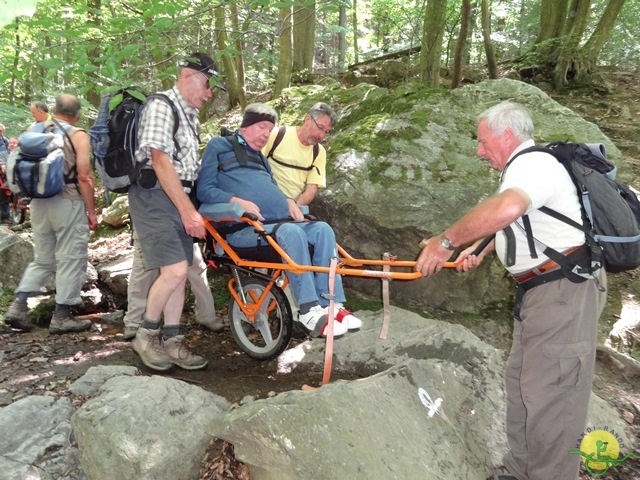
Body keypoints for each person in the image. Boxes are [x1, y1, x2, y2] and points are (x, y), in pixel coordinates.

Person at [414, 101, 606, 480]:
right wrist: (482, 249)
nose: (479, 150)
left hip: (563, 294)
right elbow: (521, 220)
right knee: (522, 388)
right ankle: (520, 472)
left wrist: (446, 242)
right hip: (541, 295)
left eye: (483, 142)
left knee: (552, 399)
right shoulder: (526, 168)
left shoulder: (533, 164)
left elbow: (509, 207)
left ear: (506, 135)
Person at [197, 103, 362, 339]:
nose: (266, 135)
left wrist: (289, 202)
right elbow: (204, 191)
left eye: (269, 129)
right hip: (241, 230)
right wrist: (236, 201)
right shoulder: (219, 146)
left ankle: (330, 304)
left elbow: (271, 189)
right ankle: (307, 309)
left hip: (274, 225)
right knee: (291, 233)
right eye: (261, 128)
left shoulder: (260, 159)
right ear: (245, 125)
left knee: (322, 230)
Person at [128, 52, 224, 372]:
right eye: (207, 84)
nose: (209, 93)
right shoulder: (161, 106)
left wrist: (189, 206)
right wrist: (188, 212)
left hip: (176, 196)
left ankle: (171, 340)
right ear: (186, 76)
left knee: (178, 274)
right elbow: (159, 161)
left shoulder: (189, 115)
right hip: (154, 196)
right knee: (175, 271)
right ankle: (145, 335)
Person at [3, 94, 98, 333]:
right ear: (77, 114)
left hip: (38, 202)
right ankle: (62, 316)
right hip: (68, 201)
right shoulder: (77, 135)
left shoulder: (34, 129)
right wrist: (92, 210)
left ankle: (18, 307)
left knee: (43, 259)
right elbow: (84, 176)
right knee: (71, 257)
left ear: (54, 110)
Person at [122, 235, 222, 340]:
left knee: (197, 269)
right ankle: (133, 322)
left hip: (182, 229)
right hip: (148, 228)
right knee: (144, 274)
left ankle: (207, 316)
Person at [262, 102, 337, 215]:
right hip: (265, 201)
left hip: (292, 208)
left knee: (322, 229)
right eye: (320, 127)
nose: (321, 135)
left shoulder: (318, 152)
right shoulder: (278, 135)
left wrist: (295, 208)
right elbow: (255, 166)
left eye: (326, 132)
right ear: (307, 119)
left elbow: (312, 187)